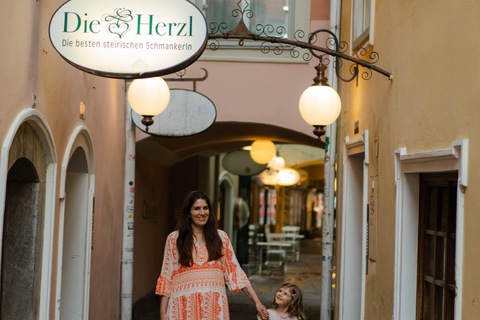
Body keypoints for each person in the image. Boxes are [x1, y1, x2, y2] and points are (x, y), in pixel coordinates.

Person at [156, 190, 269, 320]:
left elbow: (235, 272)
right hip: (182, 309)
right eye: (197, 208)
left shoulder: (221, 238)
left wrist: (257, 302)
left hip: (214, 309)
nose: (202, 212)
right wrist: (163, 313)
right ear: (188, 213)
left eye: (205, 208)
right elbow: (166, 276)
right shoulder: (174, 239)